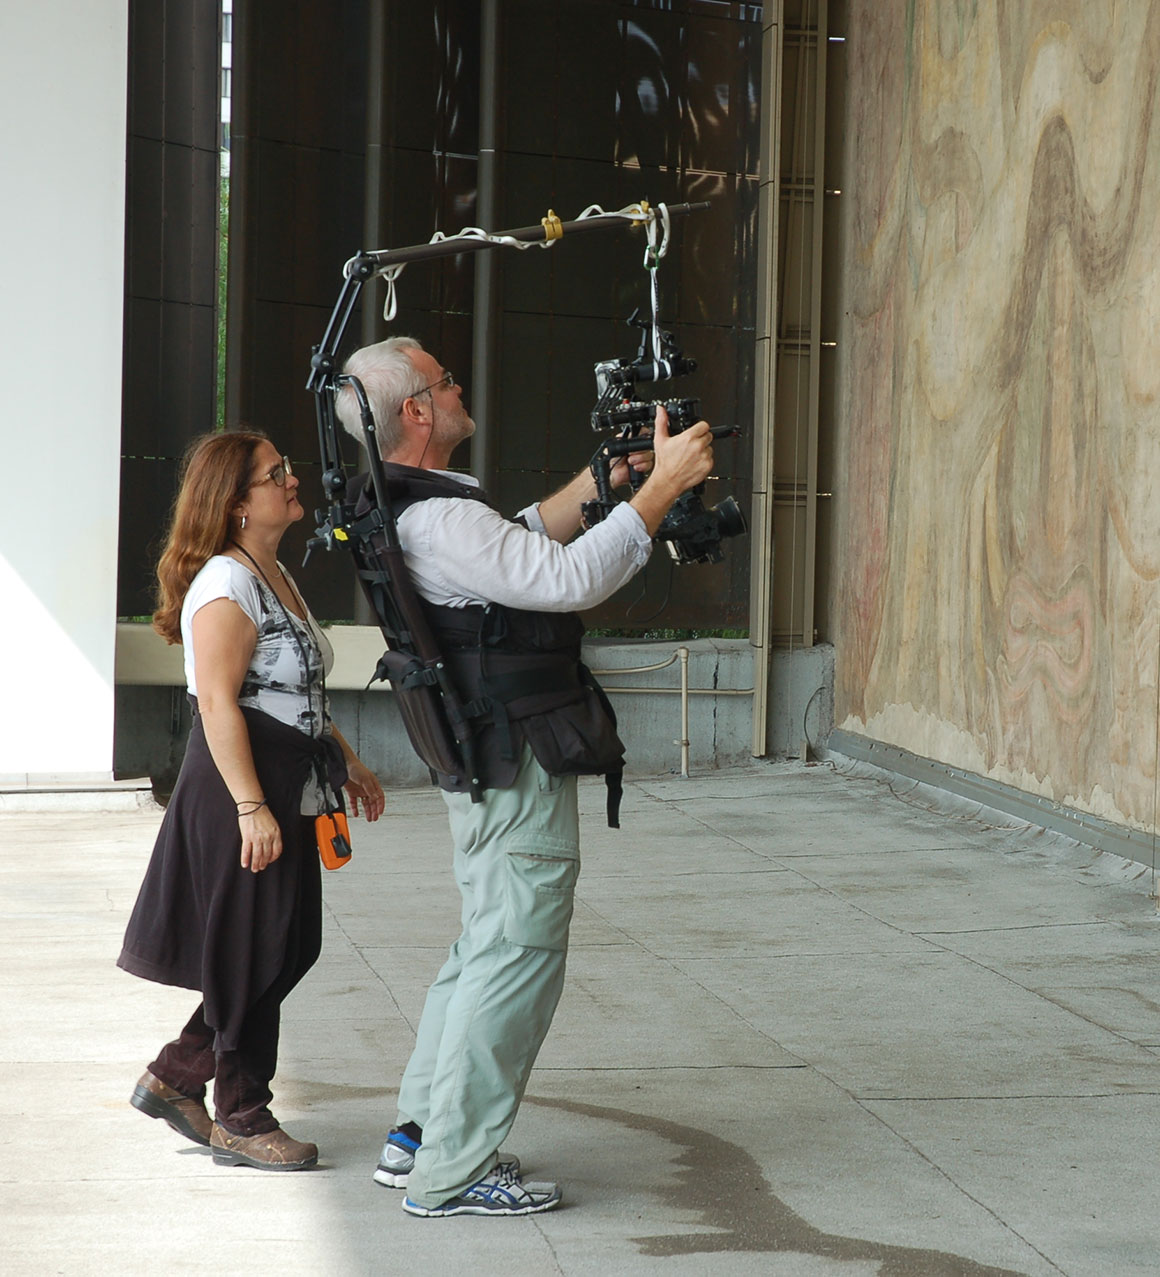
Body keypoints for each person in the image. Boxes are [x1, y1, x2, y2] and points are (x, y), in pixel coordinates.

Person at [335, 336, 714, 1217]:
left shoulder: (413, 507)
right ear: (419, 413)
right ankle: (452, 1172)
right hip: (515, 759)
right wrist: (661, 490)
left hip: (482, 754)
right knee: (516, 958)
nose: (461, 383)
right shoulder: (439, 516)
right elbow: (566, 579)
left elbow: (512, 550)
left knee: (482, 947)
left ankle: (418, 1136)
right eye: (446, 379)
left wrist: (602, 487)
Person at [120, 431, 385, 1171]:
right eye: (277, 474)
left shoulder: (271, 572)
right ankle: (239, 1112)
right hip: (241, 782)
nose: (293, 480)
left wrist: (349, 761)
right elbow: (217, 700)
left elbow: (293, 688)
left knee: (286, 945)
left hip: (285, 775)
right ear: (238, 505)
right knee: (253, 950)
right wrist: (249, 806)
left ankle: (177, 1074)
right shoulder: (225, 584)